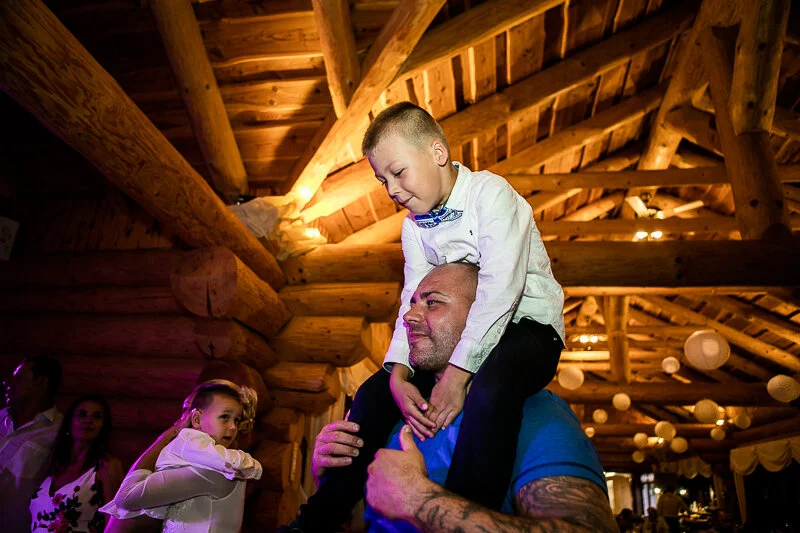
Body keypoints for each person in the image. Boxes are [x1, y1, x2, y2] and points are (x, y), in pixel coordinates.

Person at [283, 101, 565, 533]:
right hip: (458, 336)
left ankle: (462, 511)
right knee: (373, 394)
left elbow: (500, 289)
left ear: (437, 152)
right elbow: (411, 302)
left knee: (491, 387)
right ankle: (315, 522)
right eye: (383, 180)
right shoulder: (412, 227)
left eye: (399, 172)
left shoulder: (491, 194)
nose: (392, 190)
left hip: (527, 329)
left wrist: (456, 376)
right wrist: (398, 372)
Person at [311, 263, 616, 532]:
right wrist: (329, 477)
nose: (409, 316)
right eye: (413, 303)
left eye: (432, 303)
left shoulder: (537, 415)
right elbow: (363, 523)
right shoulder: (392, 412)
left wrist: (420, 502)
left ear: (482, 317)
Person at [101, 379, 262, 533]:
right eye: (185, 410)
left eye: (235, 419)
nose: (183, 421)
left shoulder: (214, 468)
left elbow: (126, 497)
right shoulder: (193, 460)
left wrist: (166, 437)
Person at [30, 394, 123, 532]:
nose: (88, 420)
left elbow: (114, 521)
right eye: (82, 415)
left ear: (103, 426)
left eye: (96, 417)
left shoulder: (106, 466)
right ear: (69, 422)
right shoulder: (53, 463)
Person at [0, 356, 64, 532]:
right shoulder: (1, 418)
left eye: (18, 378)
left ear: (42, 383)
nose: (7, 383)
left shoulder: (58, 431)